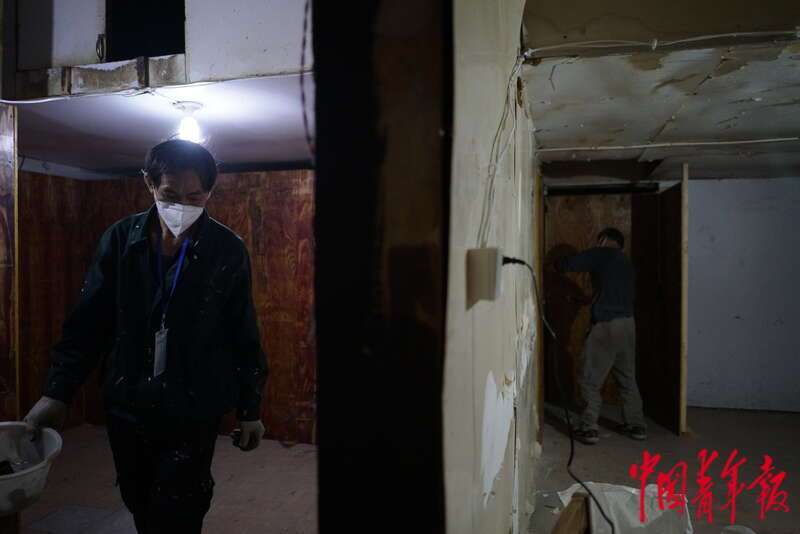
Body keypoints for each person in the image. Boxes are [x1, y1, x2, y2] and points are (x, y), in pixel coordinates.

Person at [23, 140, 268, 532]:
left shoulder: (227, 250)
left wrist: (250, 409)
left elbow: (242, 332)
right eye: (170, 195)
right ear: (149, 184)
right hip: (128, 400)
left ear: (210, 191)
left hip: (193, 404)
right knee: (138, 498)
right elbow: (88, 323)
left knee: (183, 505)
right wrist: (56, 392)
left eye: (195, 197)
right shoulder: (121, 240)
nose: (182, 207)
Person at [557, 227, 646, 445]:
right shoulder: (626, 262)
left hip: (606, 325)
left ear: (603, 240)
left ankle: (588, 428)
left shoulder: (602, 253)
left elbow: (570, 264)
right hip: (628, 325)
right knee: (627, 378)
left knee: (589, 379)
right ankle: (636, 425)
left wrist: (555, 264)